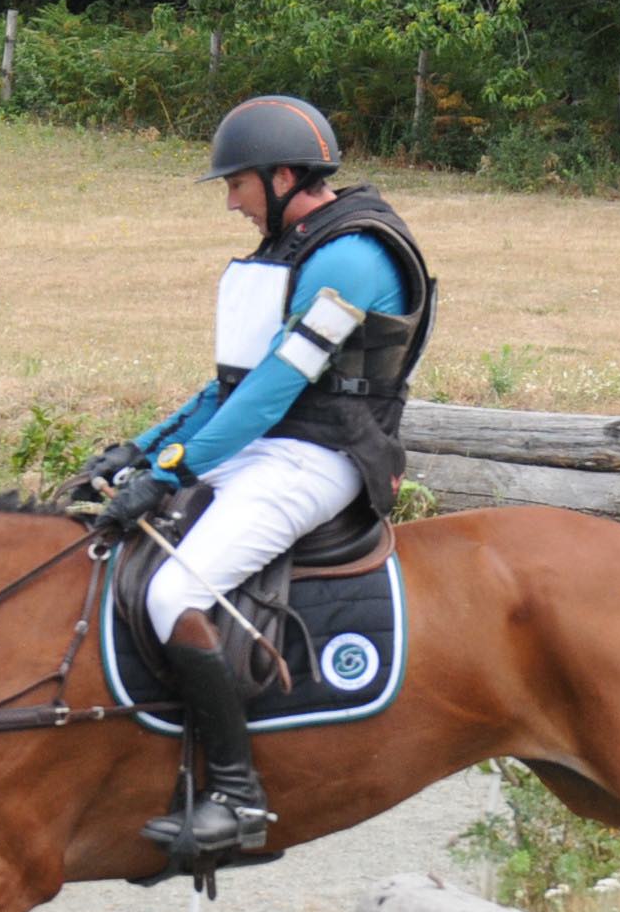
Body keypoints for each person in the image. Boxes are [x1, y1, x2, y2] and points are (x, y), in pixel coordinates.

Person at [89, 95, 434, 859]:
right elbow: (227, 386)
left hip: (323, 458)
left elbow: (275, 387)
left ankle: (239, 796)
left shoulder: (352, 256)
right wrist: (140, 451)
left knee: (176, 590)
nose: (232, 203)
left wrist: (175, 468)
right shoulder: (289, 246)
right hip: (266, 443)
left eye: (237, 185)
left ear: (283, 176)